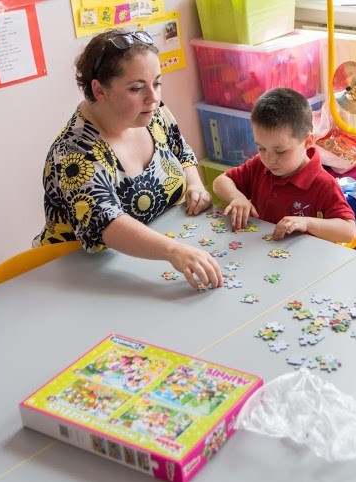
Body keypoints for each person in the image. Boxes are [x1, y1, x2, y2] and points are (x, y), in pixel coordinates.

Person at [33, 29, 222, 290]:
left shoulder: (151, 111)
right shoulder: (74, 152)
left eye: (157, 83)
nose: (153, 97)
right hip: (77, 277)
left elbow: (180, 149)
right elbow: (107, 224)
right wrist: (173, 251)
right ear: (99, 90)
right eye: (136, 88)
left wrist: (194, 185)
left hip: (142, 260)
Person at [212, 88, 356, 244]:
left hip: (302, 261)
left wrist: (307, 223)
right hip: (261, 251)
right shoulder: (259, 165)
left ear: (308, 142)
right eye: (261, 148)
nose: (269, 159)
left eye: (280, 151)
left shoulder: (323, 184)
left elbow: (348, 231)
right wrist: (237, 197)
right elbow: (220, 182)